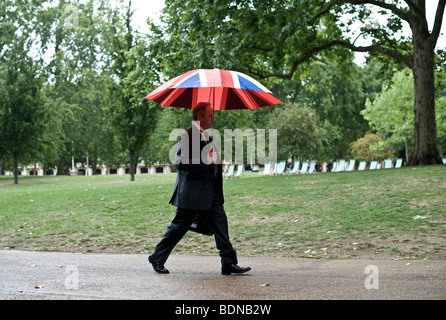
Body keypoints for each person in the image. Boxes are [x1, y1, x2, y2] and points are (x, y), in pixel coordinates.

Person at [148, 102, 251, 275]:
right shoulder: (188, 135)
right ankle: (157, 256)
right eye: (210, 115)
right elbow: (180, 162)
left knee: (220, 224)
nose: (213, 118)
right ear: (199, 116)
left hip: (210, 192)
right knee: (179, 226)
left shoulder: (206, 136)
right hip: (192, 194)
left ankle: (228, 263)